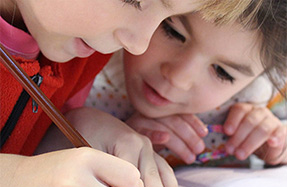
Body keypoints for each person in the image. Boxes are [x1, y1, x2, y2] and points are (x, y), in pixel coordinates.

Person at [0, 0, 264, 187]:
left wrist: (75, 133)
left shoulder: (83, 51)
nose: (138, 46)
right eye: (133, 0)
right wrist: (16, 177)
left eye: (163, 21)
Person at [83, 0, 287, 167]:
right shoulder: (85, 57)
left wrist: (275, 143)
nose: (178, 79)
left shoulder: (259, 97)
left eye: (222, 72)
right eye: (173, 32)